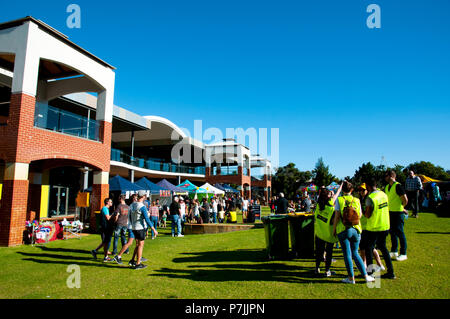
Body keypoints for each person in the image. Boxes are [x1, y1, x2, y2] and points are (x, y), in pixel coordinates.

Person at [333, 181, 375, 284]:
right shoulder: (356, 200)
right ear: (352, 190)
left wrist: (334, 229)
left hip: (343, 229)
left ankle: (351, 278)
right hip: (356, 229)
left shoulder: (339, 200)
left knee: (347, 254)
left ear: (342, 190)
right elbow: (360, 215)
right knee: (355, 253)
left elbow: (337, 216)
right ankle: (365, 275)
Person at [364, 178, 396, 279]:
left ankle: (370, 273)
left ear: (368, 187)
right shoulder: (383, 194)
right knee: (383, 248)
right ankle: (391, 272)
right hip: (385, 225)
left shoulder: (370, 197)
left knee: (369, 249)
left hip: (374, 227)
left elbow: (368, 214)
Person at [314, 185, 341, 277]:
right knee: (329, 253)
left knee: (319, 252)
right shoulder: (330, 207)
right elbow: (336, 195)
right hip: (329, 234)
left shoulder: (318, 205)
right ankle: (327, 270)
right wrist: (341, 186)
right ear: (328, 197)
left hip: (319, 233)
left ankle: (317, 268)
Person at [358, 183, 385, 271]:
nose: (361, 192)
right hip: (362, 226)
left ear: (367, 190)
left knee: (371, 248)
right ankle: (364, 264)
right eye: (360, 190)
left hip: (369, 226)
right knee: (362, 248)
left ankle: (379, 264)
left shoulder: (369, 198)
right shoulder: (360, 199)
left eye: (363, 190)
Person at [128, 194, 158, 270]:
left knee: (137, 244)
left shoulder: (132, 205)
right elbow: (147, 219)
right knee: (141, 245)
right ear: (143, 197)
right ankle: (138, 263)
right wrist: (153, 229)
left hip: (133, 227)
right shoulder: (142, 206)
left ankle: (132, 260)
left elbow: (130, 216)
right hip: (140, 227)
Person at [384, 170, 408, 261]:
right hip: (390, 212)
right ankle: (394, 251)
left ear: (391, 176)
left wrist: (402, 207)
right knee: (392, 232)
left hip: (398, 212)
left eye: (386, 175)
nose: (385, 177)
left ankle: (403, 253)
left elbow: (405, 200)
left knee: (400, 232)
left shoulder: (398, 186)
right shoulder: (387, 187)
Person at [91, 198, 116, 262]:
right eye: (110, 202)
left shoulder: (106, 209)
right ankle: (105, 257)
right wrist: (113, 215)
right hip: (104, 228)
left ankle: (95, 251)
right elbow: (108, 218)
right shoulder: (105, 208)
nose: (111, 203)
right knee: (106, 242)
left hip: (105, 227)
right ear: (107, 202)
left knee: (105, 242)